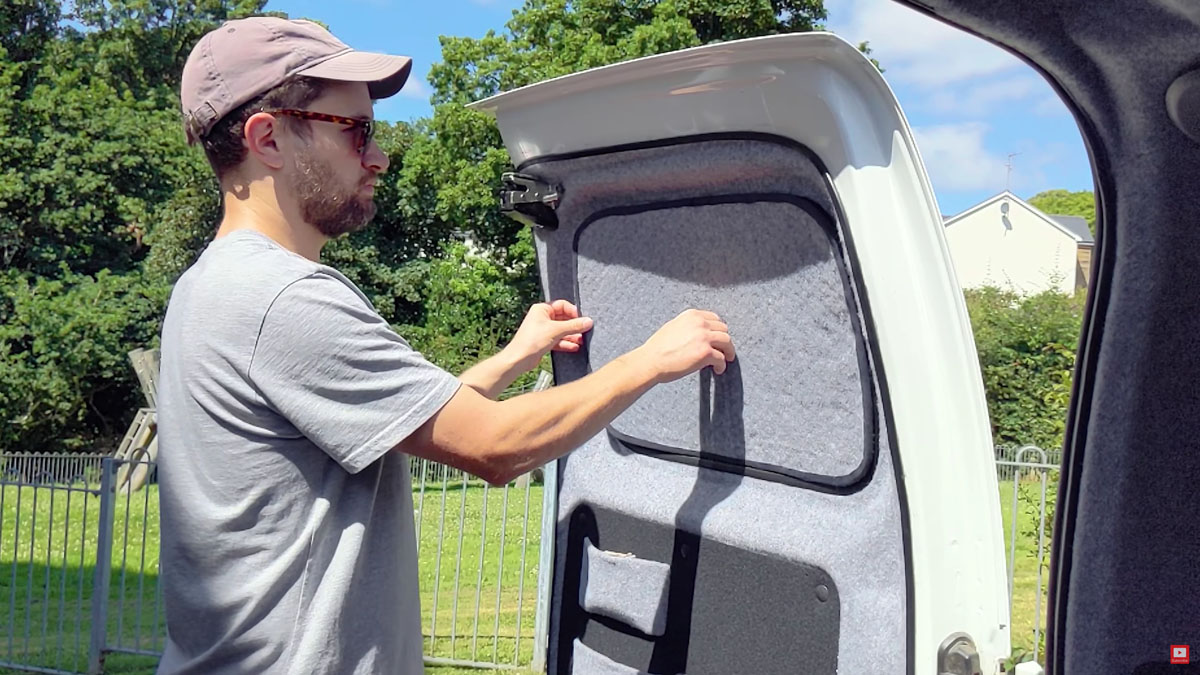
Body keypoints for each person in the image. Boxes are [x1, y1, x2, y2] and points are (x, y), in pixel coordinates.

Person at [157, 16, 735, 675]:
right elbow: (493, 446)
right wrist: (650, 360)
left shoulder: (211, 285)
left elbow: (406, 418)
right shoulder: (283, 298)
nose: (379, 156)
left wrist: (514, 356)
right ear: (267, 138)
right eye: (355, 130)